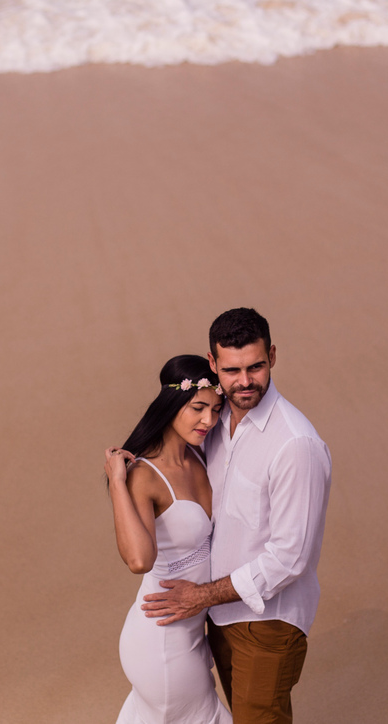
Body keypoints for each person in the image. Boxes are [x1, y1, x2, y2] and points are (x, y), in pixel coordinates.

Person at [141, 308, 331, 724]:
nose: (244, 381)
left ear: (273, 357)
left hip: (267, 623)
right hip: (219, 619)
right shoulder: (214, 421)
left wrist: (201, 596)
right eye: (231, 369)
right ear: (213, 365)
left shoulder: (295, 444)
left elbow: (290, 558)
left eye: (255, 367)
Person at [104, 355, 233, 724]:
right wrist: (117, 481)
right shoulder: (144, 475)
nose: (209, 420)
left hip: (193, 632)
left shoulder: (202, 455)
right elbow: (139, 561)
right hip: (160, 640)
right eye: (198, 408)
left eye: (215, 408)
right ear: (172, 403)